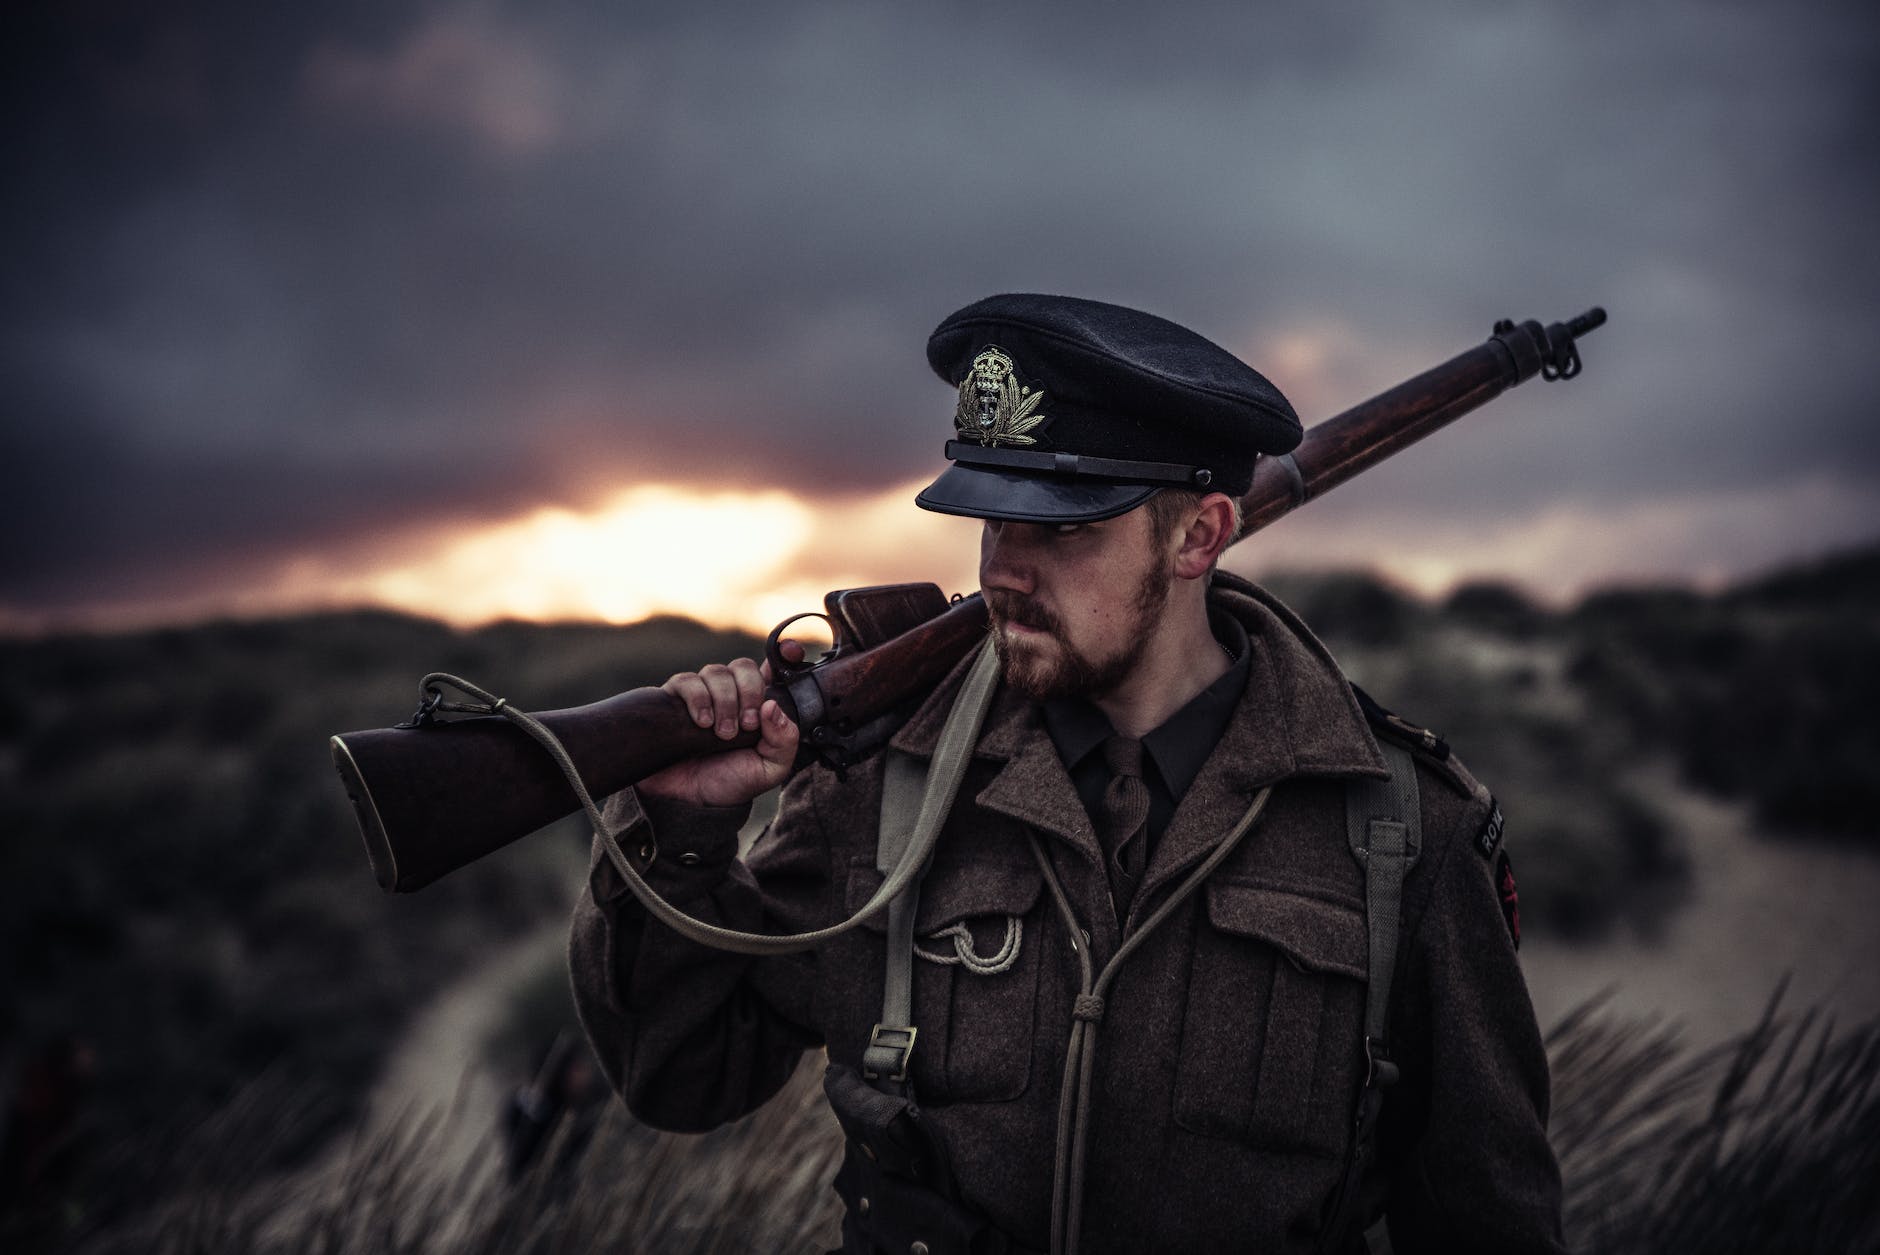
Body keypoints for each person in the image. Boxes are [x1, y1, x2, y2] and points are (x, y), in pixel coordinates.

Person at [569, 294, 1565, 1253]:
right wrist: (679, 833)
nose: (1001, 567)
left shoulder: (1398, 829)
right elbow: (685, 1078)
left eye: (1061, 528)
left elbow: (1485, 1219)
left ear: (1199, 535)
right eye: (992, 519)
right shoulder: (882, 781)